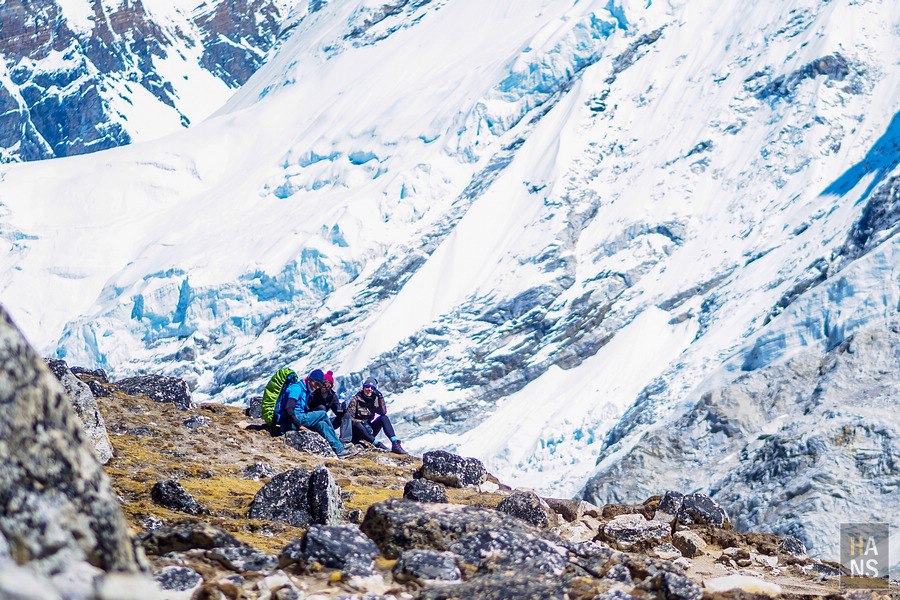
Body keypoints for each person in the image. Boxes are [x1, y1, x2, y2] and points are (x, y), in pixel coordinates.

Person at [277, 369, 357, 458]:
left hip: (300, 419)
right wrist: (299, 425)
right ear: (310, 379)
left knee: (322, 424)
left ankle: (339, 450)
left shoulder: (307, 390)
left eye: (320, 385)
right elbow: (288, 409)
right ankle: (341, 446)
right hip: (293, 421)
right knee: (322, 414)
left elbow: (338, 412)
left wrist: (342, 407)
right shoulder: (297, 388)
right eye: (317, 384)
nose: (318, 387)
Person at [346, 377, 407, 454]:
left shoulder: (374, 400)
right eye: (367, 386)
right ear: (364, 387)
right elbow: (348, 417)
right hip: (357, 431)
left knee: (384, 418)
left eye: (373, 388)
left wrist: (380, 397)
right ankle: (377, 444)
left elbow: (383, 412)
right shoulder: (356, 399)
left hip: (369, 430)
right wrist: (362, 422)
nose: (369, 389)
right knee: (357, 424)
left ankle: (395, 444)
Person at [307, 370, 352, 445]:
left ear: (331, 387)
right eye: (323, 384)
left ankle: (345, 441)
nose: (324, 387)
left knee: (346, 416)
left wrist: (342, 408)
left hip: (325, 422)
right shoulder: (313, 394)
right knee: (322, 409)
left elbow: (338, 412)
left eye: (327, 385)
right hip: (313, 422)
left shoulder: (332, 396)